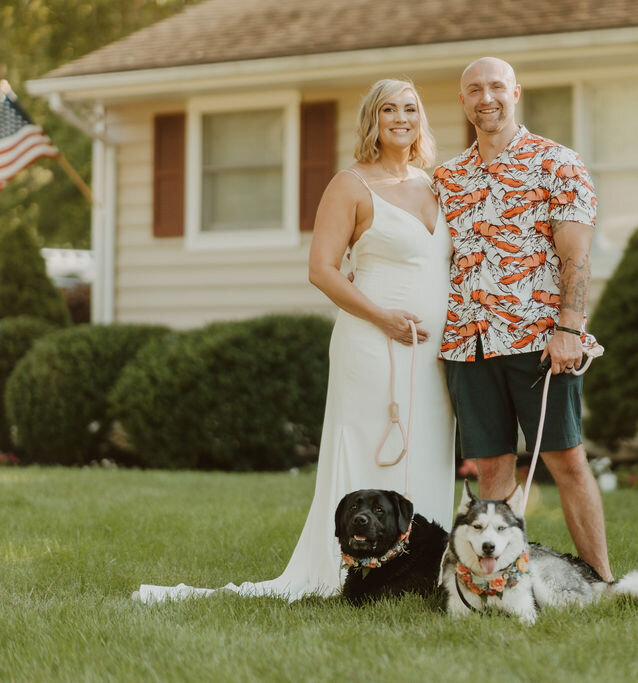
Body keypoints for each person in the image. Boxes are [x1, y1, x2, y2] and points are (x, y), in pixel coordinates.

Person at [134, 79, 455, 603]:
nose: (401, 117)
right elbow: (322, 270)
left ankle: (417, 574)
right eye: (389, 109)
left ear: (422, 119)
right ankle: (347, 572)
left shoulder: (435, 184)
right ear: (371, 121)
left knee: (426, 452)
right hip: (373, 346)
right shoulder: (350, 184)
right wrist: (384, 319)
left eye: (411, 109)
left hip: (432, 356)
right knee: (373, 449)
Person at [434, 57, 613, 582]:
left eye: (496, 87)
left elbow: (575, 255)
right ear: (463, 101)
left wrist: (569, 330)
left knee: (566, 460)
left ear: (515, 92)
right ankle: (495, 582)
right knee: (491, 467)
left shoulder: (557, 163)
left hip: (538, 342)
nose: (485, 98)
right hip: (469, 344)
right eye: (474, 90)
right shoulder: (446, 178)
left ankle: (600, 580)